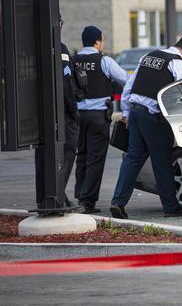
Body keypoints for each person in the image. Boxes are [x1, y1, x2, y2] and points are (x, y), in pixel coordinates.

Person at [109, 34, 182, 219]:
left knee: (133, 159)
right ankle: (171, 207)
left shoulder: (149, 57)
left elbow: (130, 85)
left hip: (135, 113)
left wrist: (126, 112)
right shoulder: (178, 64)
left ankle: (117, 203)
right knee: (162, 162)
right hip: (153, 117)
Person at [73, 26, 128, 213]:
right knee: (95, 160)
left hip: (77, 116)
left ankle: (80, 196)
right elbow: (126, 81)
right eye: (102, 40)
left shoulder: (74, 61)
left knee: (81, 156)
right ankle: (87, 202)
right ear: (97, 42)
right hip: (98, 117)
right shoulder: (104, 61)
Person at [35, 17, 80, 209]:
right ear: (58, 24)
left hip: (39, 110)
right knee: (68, 150)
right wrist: (74, 111)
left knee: (43, 153)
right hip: (61, 112)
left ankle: (45, 197)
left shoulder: (33, 45)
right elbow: (66, 83)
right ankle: (58, 194)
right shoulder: (59, 48)